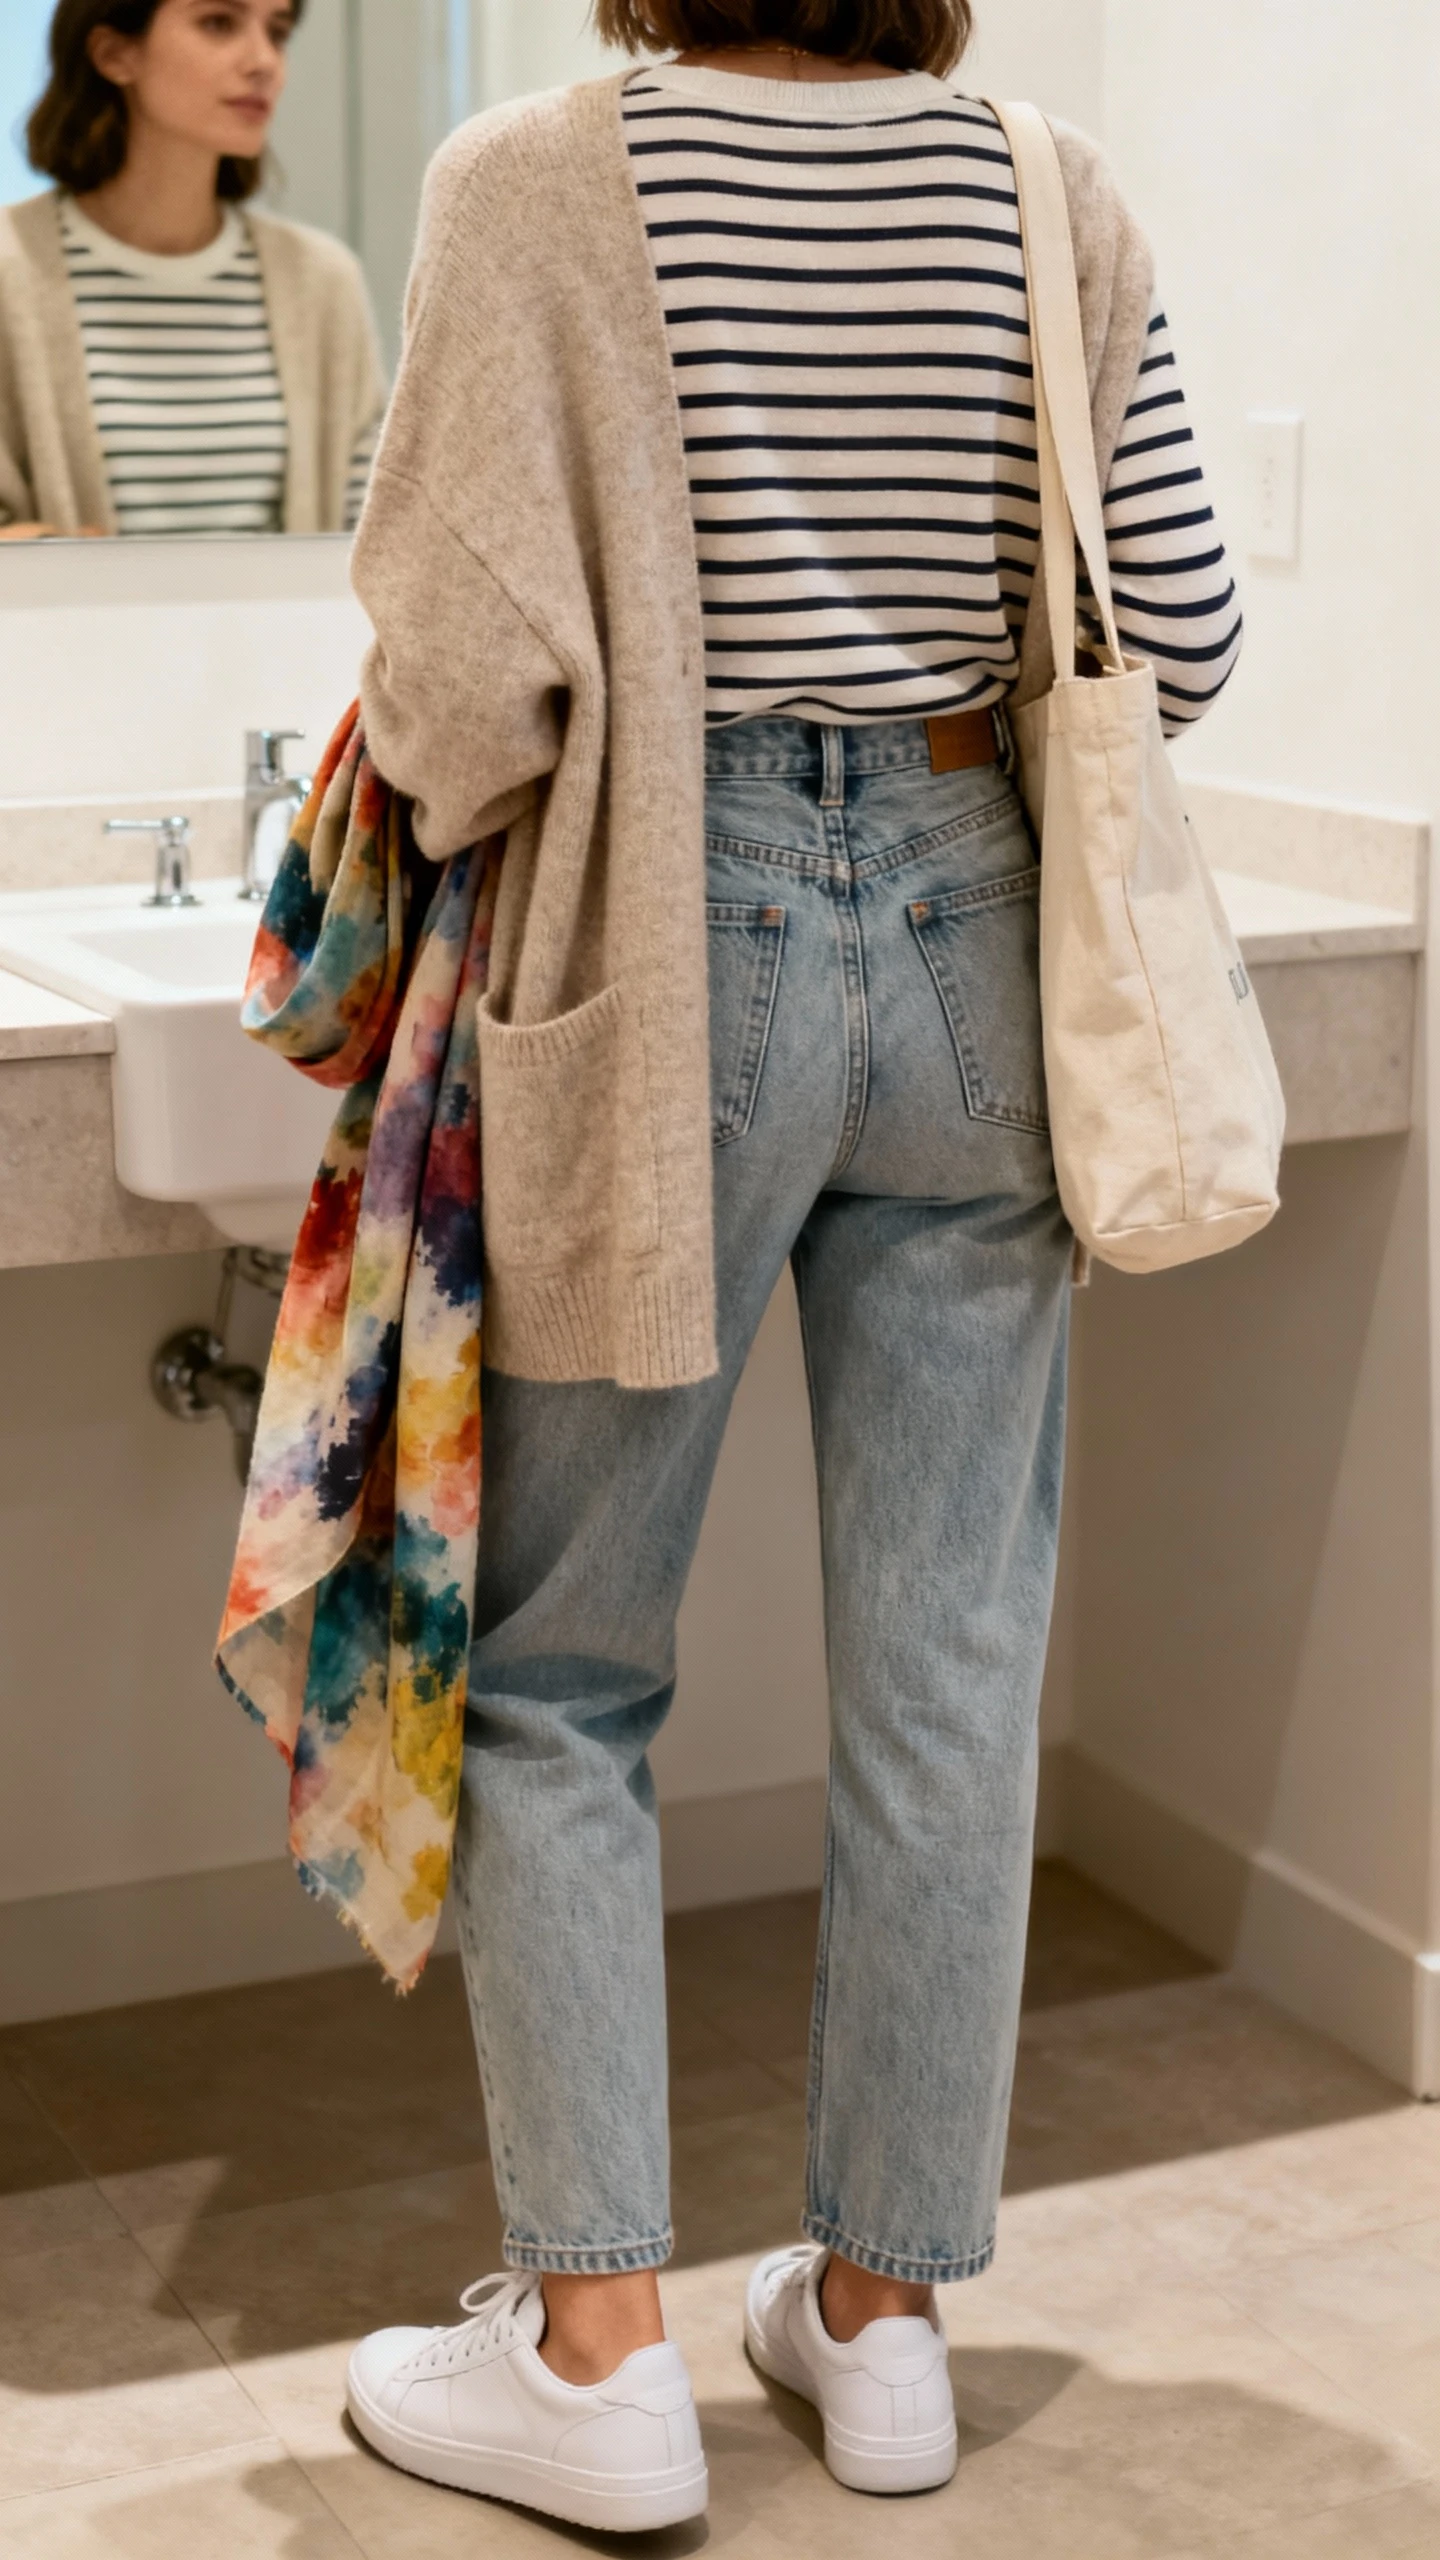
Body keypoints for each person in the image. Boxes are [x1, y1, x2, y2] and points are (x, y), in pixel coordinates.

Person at [340, 0, 1242, 2533]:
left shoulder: (533, 176)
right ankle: (882, 2321)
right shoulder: (1041, 181)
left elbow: (452, 690)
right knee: (951, 1665)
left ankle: (600, 2349)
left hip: (671, 949)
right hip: (980, 936)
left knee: (557, 1670)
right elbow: (1176, 624)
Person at [0, 0, 385, 538]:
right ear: (114, 54)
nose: (264, 62)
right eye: (219, 23)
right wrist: (44, 553)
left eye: (277, 33)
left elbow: (375, 528)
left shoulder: (322, 279)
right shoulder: (10, 270)